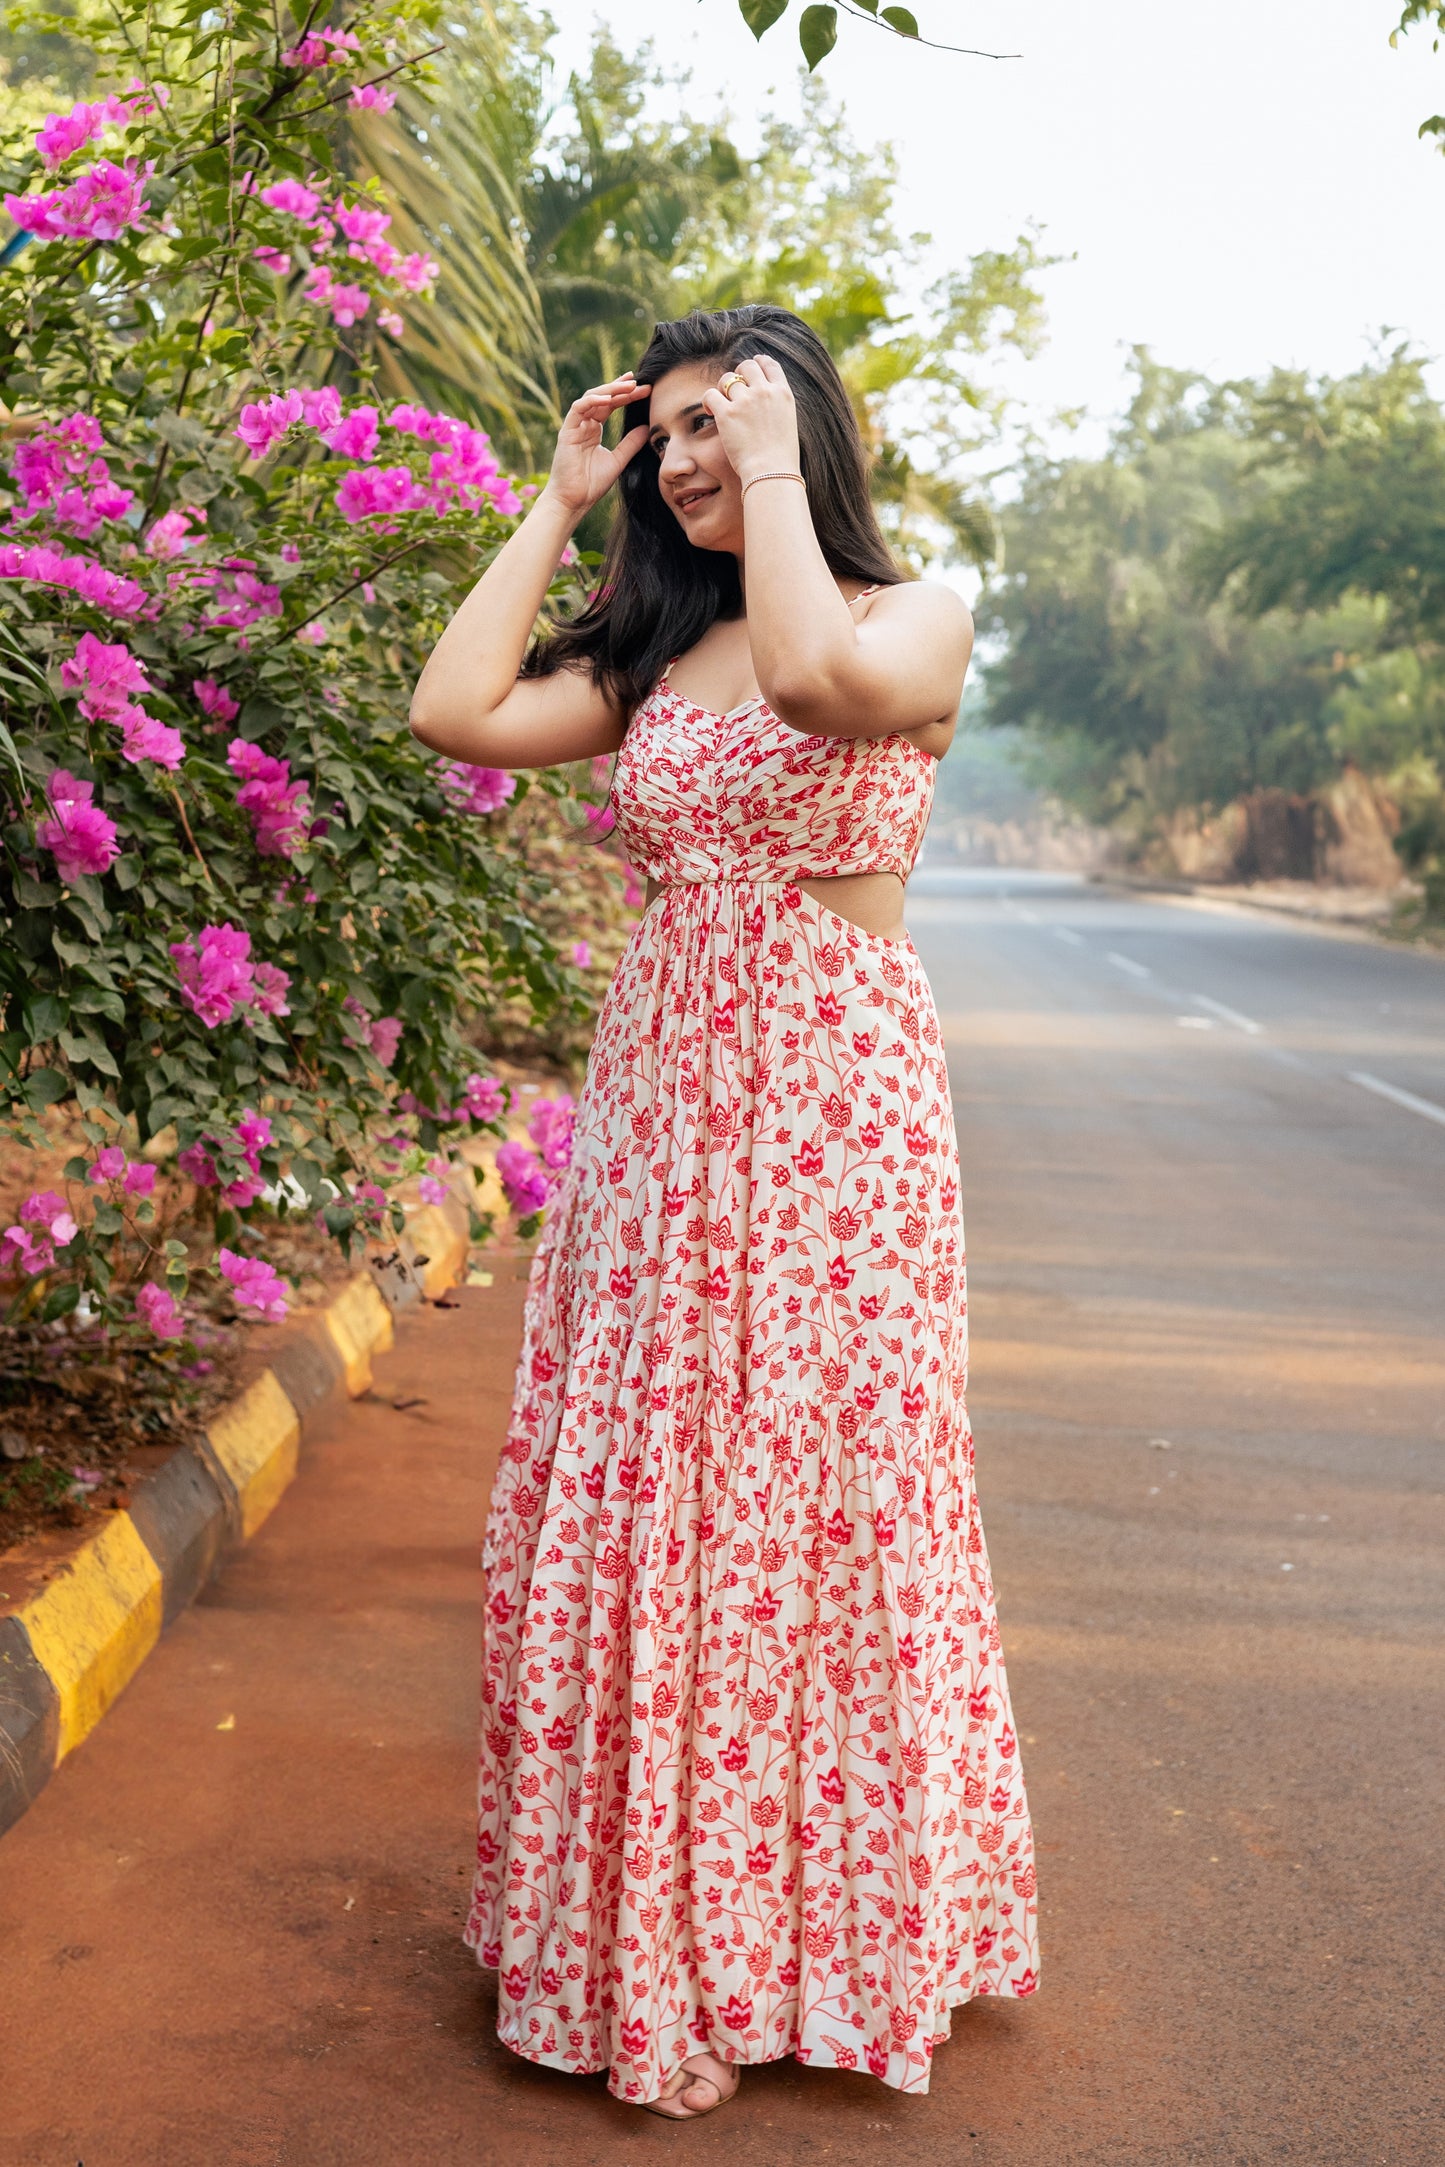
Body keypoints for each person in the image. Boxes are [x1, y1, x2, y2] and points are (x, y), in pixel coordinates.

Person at [410, 304, 1038, 2121]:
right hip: (658, 1119)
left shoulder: (907, 617)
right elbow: (456, 712)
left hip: (833, 1120)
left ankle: (822, 1949)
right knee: (643, 1491)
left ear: (797, 433)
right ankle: (643, 1933)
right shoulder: (649, 654)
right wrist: (554, 497)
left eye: (719, 424)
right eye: (666, 433)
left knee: (816, 1487)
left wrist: (770, 473)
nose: (682, 457)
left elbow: (822, 692)